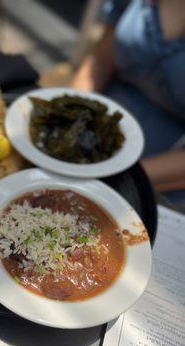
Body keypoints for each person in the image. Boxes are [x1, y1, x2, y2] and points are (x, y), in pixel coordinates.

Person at [72, 0, 185, 199]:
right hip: (93, 129)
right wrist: (71, 117)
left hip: (160, 173)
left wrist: (117, 175)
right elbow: (99, 63)